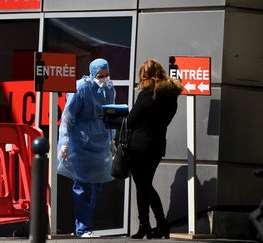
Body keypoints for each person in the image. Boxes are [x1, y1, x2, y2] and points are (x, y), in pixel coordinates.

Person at [57, 58, 116, 238]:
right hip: (81, 144)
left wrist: (112, 139)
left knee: (95, 186)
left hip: (100, 143)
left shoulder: (108, 87)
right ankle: (83, 228)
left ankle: (86, 225)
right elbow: (68, 116)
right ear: (92, 73)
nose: (103, 78)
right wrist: (65, 142)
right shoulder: (81, 88)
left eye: (106, 75)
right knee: (82, 186)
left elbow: (111, 113)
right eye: (100, 75)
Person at [127, 59, 182, 239]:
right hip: (157, 145)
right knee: (144, 185)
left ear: (145, 76)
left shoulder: (147, 94)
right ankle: (151, 225)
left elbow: (132, 120)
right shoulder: (171, 95)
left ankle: (154, 224)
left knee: (142, 185)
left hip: (140, 145)